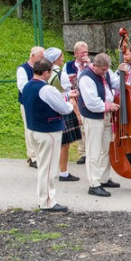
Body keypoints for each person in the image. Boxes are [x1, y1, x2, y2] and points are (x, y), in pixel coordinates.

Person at [22, 59, 74, 212]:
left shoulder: (27, 86)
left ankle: (43, 199)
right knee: (49, 168)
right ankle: (48, 201)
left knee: (43, 167)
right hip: (48, 131)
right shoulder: (46, 89)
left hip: (34, 129)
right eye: (50, 72)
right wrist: (70, 102)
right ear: (46, 73)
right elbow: (64, 109)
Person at [78, 53, 123, 197]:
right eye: (102, 70)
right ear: (95, 65)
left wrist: (124, 73)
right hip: (93, 117)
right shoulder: (86, 77)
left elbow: (116, 83)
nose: (105, 72)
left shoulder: (106, 72)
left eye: (106, 69)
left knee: (106, 148)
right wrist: (108, 106)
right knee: (94, 150)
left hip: (106, 115)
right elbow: (91, 103)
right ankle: (94, 184)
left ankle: (103, 178)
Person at [43, 47, 81, 182]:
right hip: (62, 106)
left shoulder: (44, 72)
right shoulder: (61, 74)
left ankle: (52, 169)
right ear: (55, 59)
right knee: (64, 143)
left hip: (49, 108)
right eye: (60, 57)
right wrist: (77, 113)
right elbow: (69, 94)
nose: (63, 58)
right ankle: (63, 172)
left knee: (54, 141)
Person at [17, 46, 44, 168]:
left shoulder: (43, 68)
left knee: (39, 129)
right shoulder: (23, 69)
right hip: (28, 102)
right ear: (32, 56)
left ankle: (40, 155)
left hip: (41, 103)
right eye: (40, 57)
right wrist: (35, 94)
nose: (42, 60)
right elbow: (22, 86)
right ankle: (33, 156)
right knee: (29, 129)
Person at [65, 41, 90, 165]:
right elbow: (65, 82)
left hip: (89, 98)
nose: (85, 54)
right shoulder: (68, 66)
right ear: (75, 54)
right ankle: (83, 152)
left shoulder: (91, 65)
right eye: (82, 52)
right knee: (80, 124)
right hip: (76, 97)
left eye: (86, 52)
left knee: (89, 125)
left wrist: (89, 64)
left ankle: (91, 151)